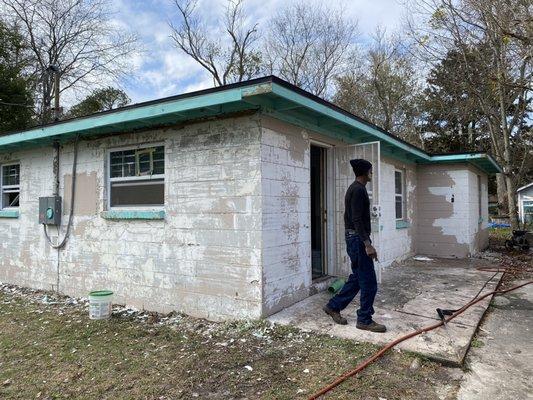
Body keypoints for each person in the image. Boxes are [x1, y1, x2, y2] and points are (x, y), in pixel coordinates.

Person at [322, 158, 386, 333]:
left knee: (358, 278)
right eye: (371, 171)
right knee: (370, 282)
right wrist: (367, 244)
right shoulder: (358, 190)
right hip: (358, 240)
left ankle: (333, 306)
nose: (372, 174)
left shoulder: (356, 188)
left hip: (355, 238)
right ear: (365, 172)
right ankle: (364, 319)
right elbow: (357, 219)